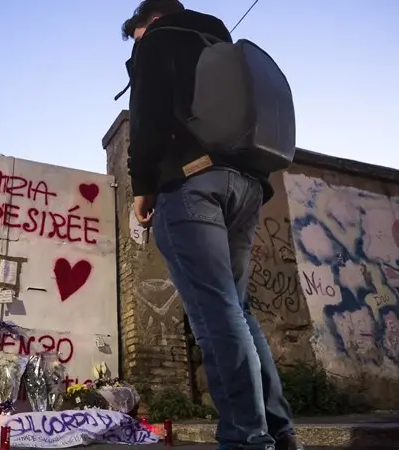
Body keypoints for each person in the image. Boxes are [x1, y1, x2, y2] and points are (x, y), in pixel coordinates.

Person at [122, 1, 301, 449]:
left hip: (192, 183)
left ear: (148, 22)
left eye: (135, 37)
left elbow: (146, 119)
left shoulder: (158, 41)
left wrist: (142, 185)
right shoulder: (221, 44)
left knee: (216, 313)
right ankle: (279, 431)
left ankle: (246, 438)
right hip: (248, 184)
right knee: (237, 310)